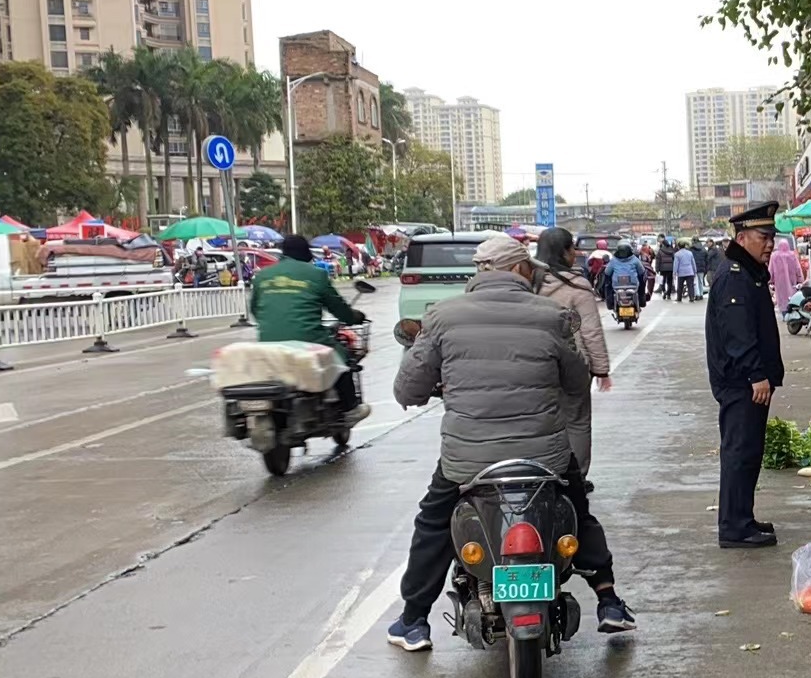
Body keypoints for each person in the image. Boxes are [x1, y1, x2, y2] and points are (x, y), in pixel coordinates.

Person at [387, 234, 633, 652]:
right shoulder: (551, 314)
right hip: (544, 458)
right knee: (576, 510)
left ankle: (413, 621)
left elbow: (408, 389)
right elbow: (576, 381)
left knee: (434, 525)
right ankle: (608, 599)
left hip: (468, 458)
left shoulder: (442, 316)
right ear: (520, 270)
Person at [707, 203, 786, 549]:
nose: (769, 244)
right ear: (742, 237)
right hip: (742, 383)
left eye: (771, 237)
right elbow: (738, 335)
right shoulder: (735, 275)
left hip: (746, 381)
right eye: (762, 237)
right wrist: (757, 374)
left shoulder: (747, 271)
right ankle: (734, 527)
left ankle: (743, 516)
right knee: (740, 452)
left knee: (748, 452)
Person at [249, 234, 371, 422]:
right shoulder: (316, 274)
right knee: (342, 356)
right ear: (306, 253)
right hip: (309, 341)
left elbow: (256, 310)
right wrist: (355, 317)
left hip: (268, 344)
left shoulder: (263, 276)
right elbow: (339, 310)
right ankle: (350, 408)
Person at [533, 227, 613, 471]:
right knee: (577, 422)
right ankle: (576, 478)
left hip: (532, 365)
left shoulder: (528, 284)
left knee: (539, 422)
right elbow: (590, 331)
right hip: (573, 366)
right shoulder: (578, 287)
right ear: (566, 252)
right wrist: (601, 370)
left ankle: (543, 472)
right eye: (572, 248)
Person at [601, 242, 646, 312]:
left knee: (607, 285)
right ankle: (642, 301)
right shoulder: (635, 259)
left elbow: (607, 272)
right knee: (642, 281)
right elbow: (642, 271)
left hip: (616, 286)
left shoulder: (613, 260)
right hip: (633, 285)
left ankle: (611, 304)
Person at [769, 237, 805, 311]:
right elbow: (798, 268)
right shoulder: (792, 255)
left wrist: (770, 280)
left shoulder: (774, 256)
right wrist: (800, 279)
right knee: (791, 298)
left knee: (781, 300)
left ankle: (784, 314)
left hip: (779, 284)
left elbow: (770, 270)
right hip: (792, 282)